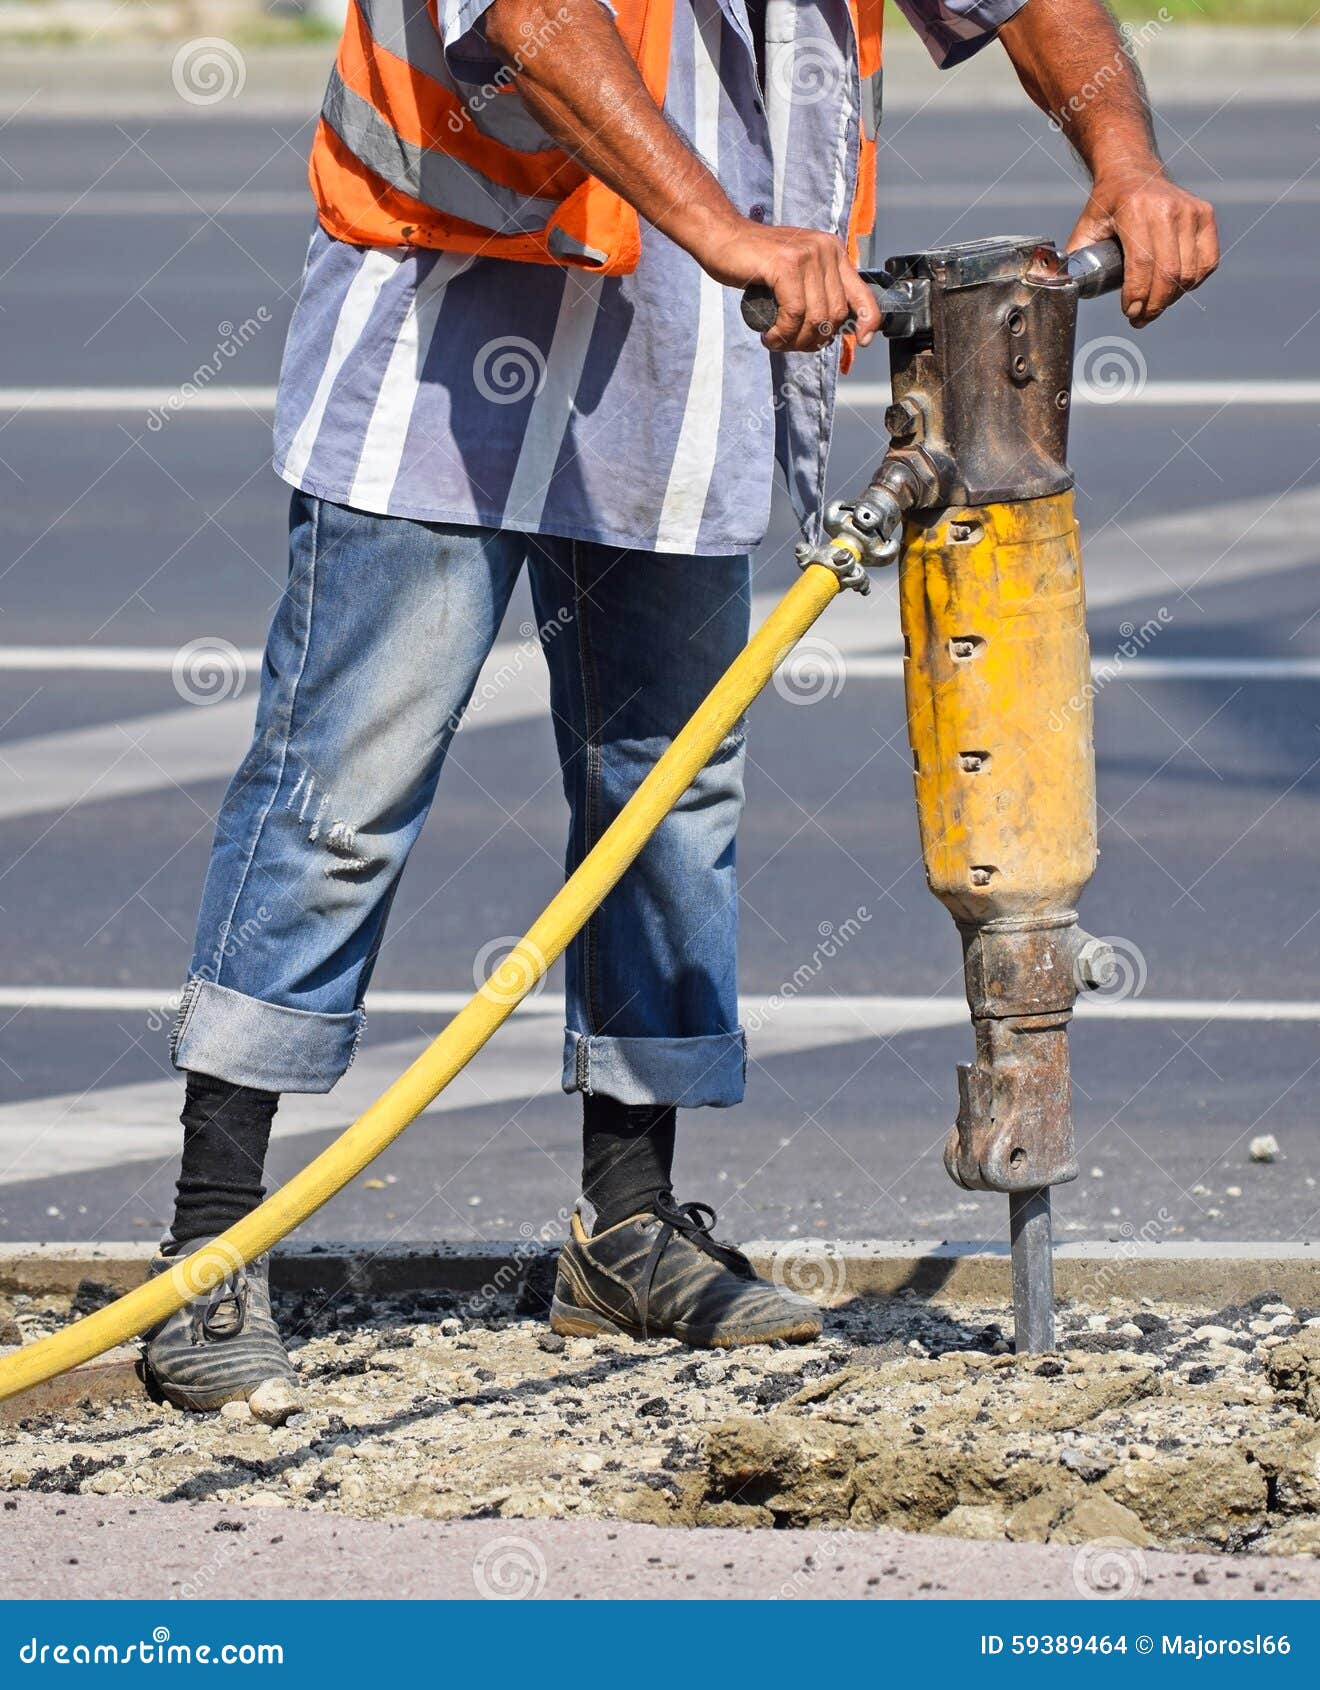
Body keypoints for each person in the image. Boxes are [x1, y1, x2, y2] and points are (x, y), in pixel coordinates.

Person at [144, 0, 1218, 1408]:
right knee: (340, 784)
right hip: (444, 336)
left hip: (687, 365)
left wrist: (1124, 153)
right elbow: (529, 19)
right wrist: (723, 227)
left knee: (668, 793)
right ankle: (206, 1247)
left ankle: (628, 1228)